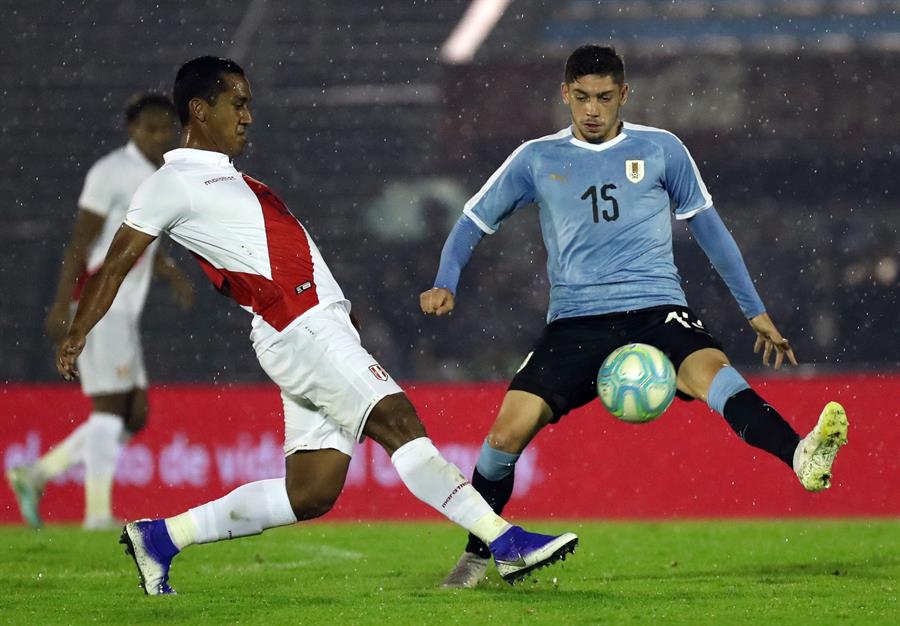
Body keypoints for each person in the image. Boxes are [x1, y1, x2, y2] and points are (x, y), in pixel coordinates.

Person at [55, 56, 578, 595]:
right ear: (199, 109)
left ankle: (162, 538)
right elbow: (115, 260)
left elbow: (271, 251)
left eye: (249, 104)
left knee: (310, 492)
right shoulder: (171, 182)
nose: (248, 116)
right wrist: (78, 331)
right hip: (300, 330)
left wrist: (336, 304)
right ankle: (503, 540)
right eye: (237, 103)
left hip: (311, 328)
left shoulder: (228, 178)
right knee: (398, 421)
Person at [420, 44, 849, 588]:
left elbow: (710, 230)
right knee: (505, 436)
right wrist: (444, 281)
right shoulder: (535, 158)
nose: (592, 110)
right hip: (576, 321)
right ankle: (481, 552)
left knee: (714, 374)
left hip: (656, 310)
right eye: (581, 98)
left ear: (625, 94)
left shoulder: (663, 150)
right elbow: (472, 222)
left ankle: (801, 455)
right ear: (565, 95)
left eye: (603, 97)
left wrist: (754, 311)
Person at [6, 93, 193, 530]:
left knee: (136, 414)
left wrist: (169, 274)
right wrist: (62, 307)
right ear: (132, 129)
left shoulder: (160, 176)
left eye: (166, 127)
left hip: (124, 308)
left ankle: (36, 475)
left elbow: (138, 238)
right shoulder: (110, 173)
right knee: (111, 408)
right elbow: (81, 242)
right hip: (99, 303)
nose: (159, 135)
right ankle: (96, 515)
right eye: (150, 128)